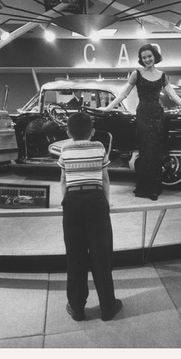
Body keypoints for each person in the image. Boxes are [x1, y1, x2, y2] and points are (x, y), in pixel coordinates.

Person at [99, 43, 181, 201]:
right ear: (141, 59)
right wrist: (107, 108)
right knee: (146, 151)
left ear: (155, 56)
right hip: (143, 115)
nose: (147, 59)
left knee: (156, 152)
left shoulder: (163, 75)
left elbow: (174, 96)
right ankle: (144, 188)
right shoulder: (136, 74)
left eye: (149, 56)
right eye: (144, 57)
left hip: (158, 115)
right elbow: (123, 94)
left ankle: (154, 188)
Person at [58, 112, 122, 322]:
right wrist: (106, 202)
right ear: (92, 132)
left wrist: (65, 203)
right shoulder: (99, 147)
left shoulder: (64, 149)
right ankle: (107, 307)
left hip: (73, 201)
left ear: (68, 132)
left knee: (75, 256)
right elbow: (104, 178)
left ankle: (77, 308)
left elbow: (63, 180)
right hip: (96, 200)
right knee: (101, 254)